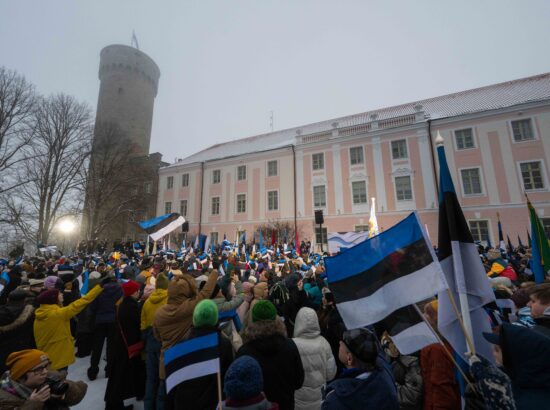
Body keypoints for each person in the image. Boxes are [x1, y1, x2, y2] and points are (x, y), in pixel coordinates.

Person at [166, 299, 234, 410]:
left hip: (185, 402)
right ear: (215, 318)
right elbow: (226, 377)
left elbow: (173, 386)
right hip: (213, 402)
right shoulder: (223, 344)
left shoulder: (181, 344)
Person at [237, 300, 304, 410]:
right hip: (285, 405)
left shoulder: (244, 352)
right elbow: (298, 382)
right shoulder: (289, 346)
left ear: (252, 321)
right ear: (276, 319)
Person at [153, 269, 218, 382]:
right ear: (187, 291)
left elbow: (157, 336)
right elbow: (206, 293)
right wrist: (214, 273)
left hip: (166, 363)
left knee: (164, 397)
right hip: (183, 362)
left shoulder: (158, 313)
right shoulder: (187, 308)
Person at [322, 328, 399, 410]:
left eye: (342, 344)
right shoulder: (385, 372)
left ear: (349, 358)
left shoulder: (337, 400)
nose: (339, 342)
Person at [33, 282, 103, 372]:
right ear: (53, 299)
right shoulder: (58, 314)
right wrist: (99, 287)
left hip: (48, 357)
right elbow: (83, 301)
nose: (62, 294)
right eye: (59, 294)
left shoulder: (42, 312)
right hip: (58, 358)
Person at [482, 323, 550, 409]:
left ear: (515, 356)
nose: (493, 353)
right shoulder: (523, 377)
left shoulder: (524, 403)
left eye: (497, 349)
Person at [104, 280, 146, 410]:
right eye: (138, 290)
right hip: (127, 347)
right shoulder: (132, 307)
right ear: (134, 292)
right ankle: (113, 405)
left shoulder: (122, 304)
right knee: (120, 377)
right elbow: (136, 327)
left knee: (119, 376)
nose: (140, 292)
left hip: (121, 345)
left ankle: (115, 404)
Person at [0, 349, 87, 409]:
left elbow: (81, 390)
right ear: (21, 375)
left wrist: (65, 390)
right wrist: (34, 403)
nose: (45, 371)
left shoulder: (49, 377)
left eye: (46, 366)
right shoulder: (5, 398)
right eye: (38, 369)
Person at [292, 307, 336, 410]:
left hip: (298, 401)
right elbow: (331, 374)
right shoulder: (324, 343)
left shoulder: (292, 345)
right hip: (320, 399)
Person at [420, 300, 460, 410]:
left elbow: (442, 391)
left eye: (428, 313)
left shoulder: (435, 349)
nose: (423, 317)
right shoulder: (456, 340)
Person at [141, 273, 169, 410]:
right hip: (165, 342)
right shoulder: (169, 300)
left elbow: (143, 324)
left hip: (150, 342)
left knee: (151, 378)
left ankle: (148, 406)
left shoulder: (147, 302)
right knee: (163, 379)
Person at [87, 273, 123, 380]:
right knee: (111, 346)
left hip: (100, 321)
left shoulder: (99, 290)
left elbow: (92, 306)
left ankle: (93, 371)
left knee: (97, 347)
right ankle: (109, 370)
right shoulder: (120, 290)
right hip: (113, 320)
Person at [380, 333, 423, 410]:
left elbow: (411, 396)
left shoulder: (411, 363)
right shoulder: (389, 360)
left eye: (387, 343)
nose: (385, 348)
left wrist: (389, 382)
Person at [0, 288, 36, 375]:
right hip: (21, 349)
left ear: (8, 299)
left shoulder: (2, 311)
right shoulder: (30, 313)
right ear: (24, 300)